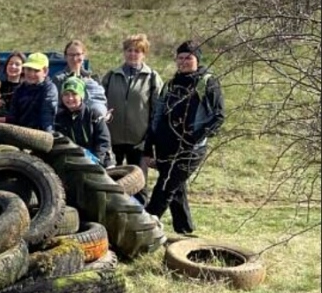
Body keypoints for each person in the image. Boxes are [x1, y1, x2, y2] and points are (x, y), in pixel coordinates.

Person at [142, 40, 224, 236]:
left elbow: (218, 116)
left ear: (197, 60)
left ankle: (144, 225)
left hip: (191, 149)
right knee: (175, 187)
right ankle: (185, 231)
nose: (184, 61)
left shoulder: (207, 82)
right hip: (165, 146)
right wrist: (149, 145)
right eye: (180, 58)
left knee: (166, 184)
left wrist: (195, 137)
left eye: (189, 58)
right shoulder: (170, 84)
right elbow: (158, 115)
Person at [102, 33, 164, 203]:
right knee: (111, 181)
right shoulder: (111, 76)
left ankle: (141, 218)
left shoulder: (152, 78)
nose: (132, 54)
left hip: (139, 141)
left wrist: (149, 139)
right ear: (124, 52)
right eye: (129, 50)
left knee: (139, 184)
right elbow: (100, 104)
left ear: (144, 54)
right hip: (113, 140)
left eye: (137, 51)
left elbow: (158, 111)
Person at [55, 77, 114, 167]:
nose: (70, 98)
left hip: (99, 161)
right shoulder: (58, 118)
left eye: (74, 94)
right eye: (66, 94)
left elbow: (104, 142)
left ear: (81, 96)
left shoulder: (93, 115)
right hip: (73, 163)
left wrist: (96, 160)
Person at [52, 39, 109, 119]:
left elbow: (102, 102)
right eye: (71, 55)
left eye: (78, 54)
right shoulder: (59, 79)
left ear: (83, 56)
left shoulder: (93, 79)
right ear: (65, 57)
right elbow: (55, 105)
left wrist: (106, 115)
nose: (75, 58)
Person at [7, 52, 59, 132]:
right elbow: (12, 117)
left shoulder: (49, 89)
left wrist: (47, 137)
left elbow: (46, 116)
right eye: (29, 69)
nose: (31, 74)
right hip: (20, 134)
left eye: (36, 70)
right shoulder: (19, 90)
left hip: (40, 135)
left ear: (45, 71)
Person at [0, 51, 24, 121]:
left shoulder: (25, 89)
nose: (13, 66)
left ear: (23, 69)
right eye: (10, 63)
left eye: (17, 64)